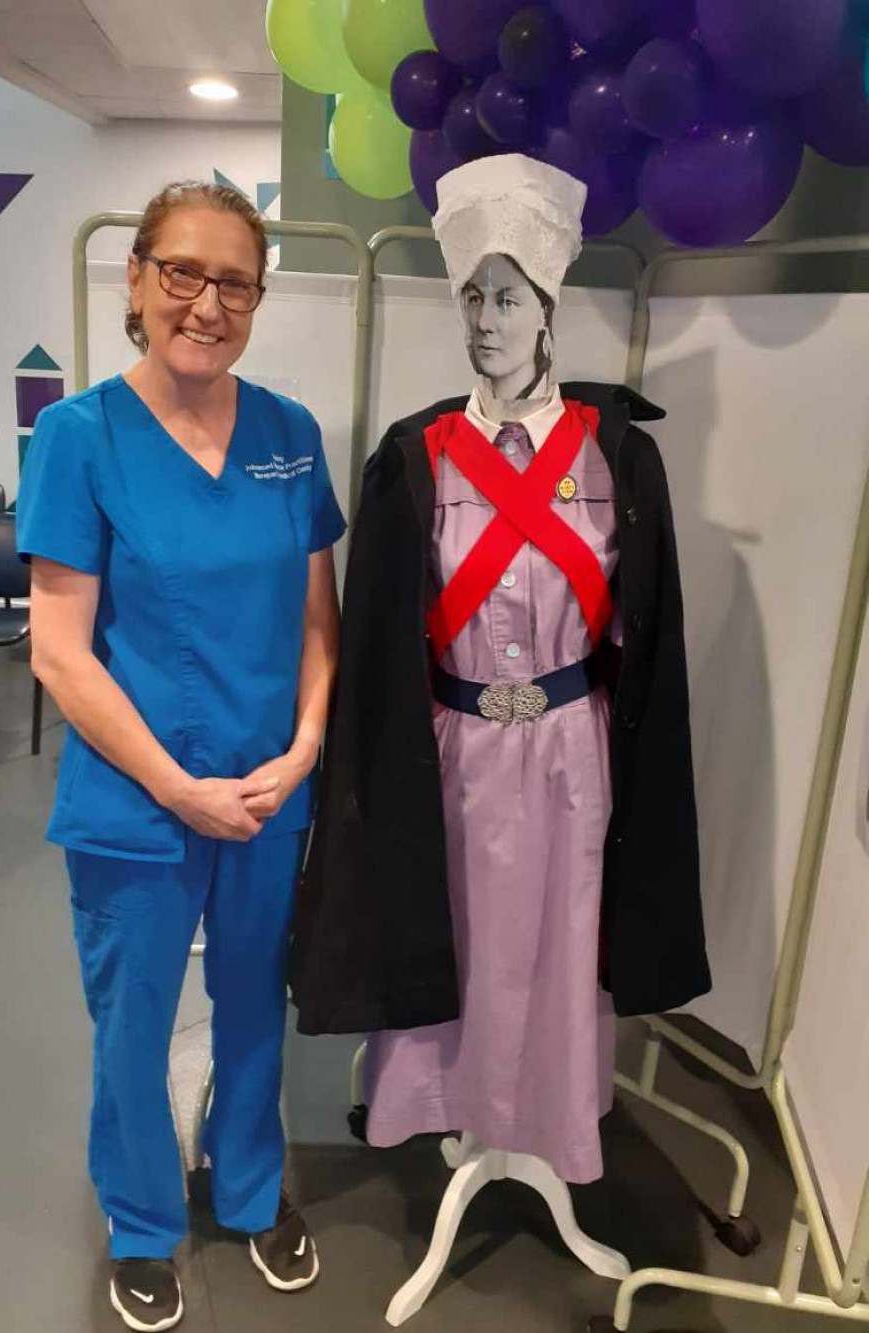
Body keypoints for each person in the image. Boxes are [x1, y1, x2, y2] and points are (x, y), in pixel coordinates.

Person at [291, 155, 710, 1180]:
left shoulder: (618, 458)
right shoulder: (413, 457)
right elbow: (384, 637)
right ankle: (451, 1113)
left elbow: (645, 638)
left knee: (563, 951)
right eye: (471, 295)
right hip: (451, 750)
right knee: (456, 939)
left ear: (546, 306)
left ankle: (548, 1129)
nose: (484, 319)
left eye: (506, 297)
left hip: (573, 751)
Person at [16, 180, 345, 1331]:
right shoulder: (78, 436)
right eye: (183, 274)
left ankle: (251, 1193)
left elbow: (318, 623)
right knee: (136, 1015)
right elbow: (58, 652)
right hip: (135, 802)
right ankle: (144, 1220)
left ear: (258, 296)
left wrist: (302, 749)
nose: (207, 303)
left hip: (263, 793)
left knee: (258, 1002)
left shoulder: (291, 437)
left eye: (234, 281)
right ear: (137, 280)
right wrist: (174, 786)